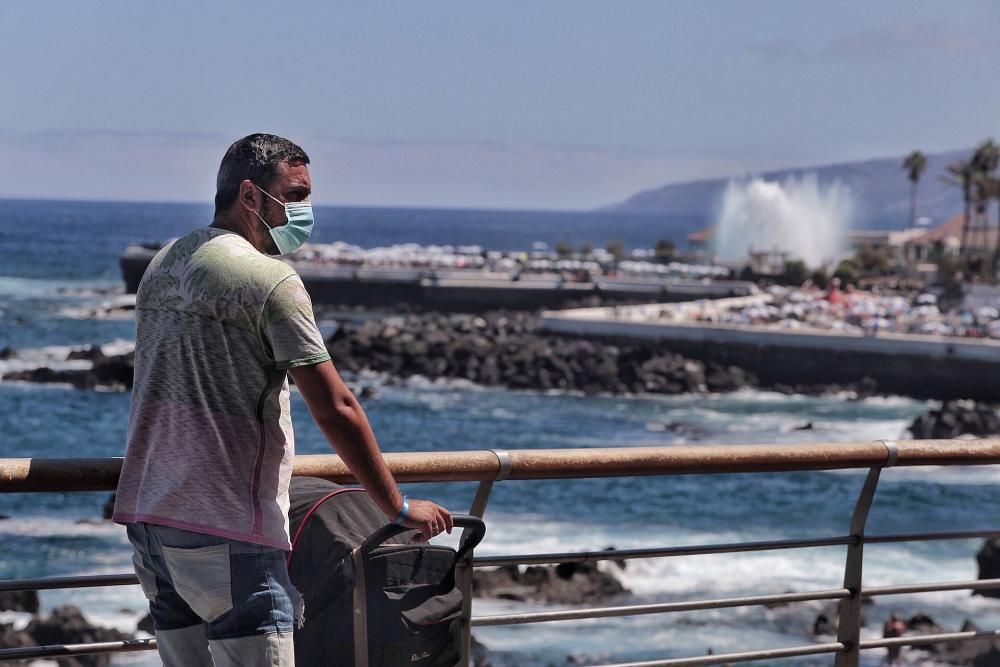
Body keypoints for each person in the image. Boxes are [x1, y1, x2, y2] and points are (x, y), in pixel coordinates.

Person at [113, 133, 452, 666]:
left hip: (151, 520)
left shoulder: (165, 264)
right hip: (227, 526)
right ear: (250, 196)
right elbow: (336, 406)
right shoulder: (271, 281)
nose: (304, 211)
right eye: (294, 196)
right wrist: (398, 506)